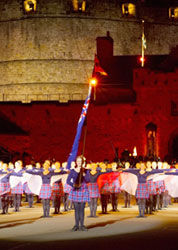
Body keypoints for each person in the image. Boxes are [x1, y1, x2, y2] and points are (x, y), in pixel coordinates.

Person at [67, 156, 90, 231]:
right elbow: (68, 181)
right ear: (76, 162)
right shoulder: (73, 171)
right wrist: (73, 184)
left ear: (83, 162)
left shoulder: (85, 170)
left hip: (83, 189)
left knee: (82, 209)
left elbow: (88, 180)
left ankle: (82, 225)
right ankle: (76, 225)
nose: (79, 162)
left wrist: (84, 174)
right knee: (76, 209)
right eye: (78, 161)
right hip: (75, 189)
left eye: (81, 161)